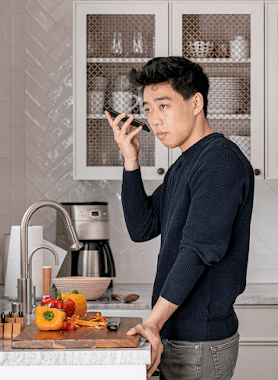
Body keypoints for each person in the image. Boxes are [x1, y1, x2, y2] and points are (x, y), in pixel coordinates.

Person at [105, 56, 254, 380]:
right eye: (147, 109)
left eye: (163, 106)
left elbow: (197, 252)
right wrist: (131, 160)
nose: (154, 120)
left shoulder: (219, 161)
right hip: (178, 334)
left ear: (196, 102)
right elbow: (142, 227)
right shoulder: (185, 165)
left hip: (198, 339)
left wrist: (153, 323)